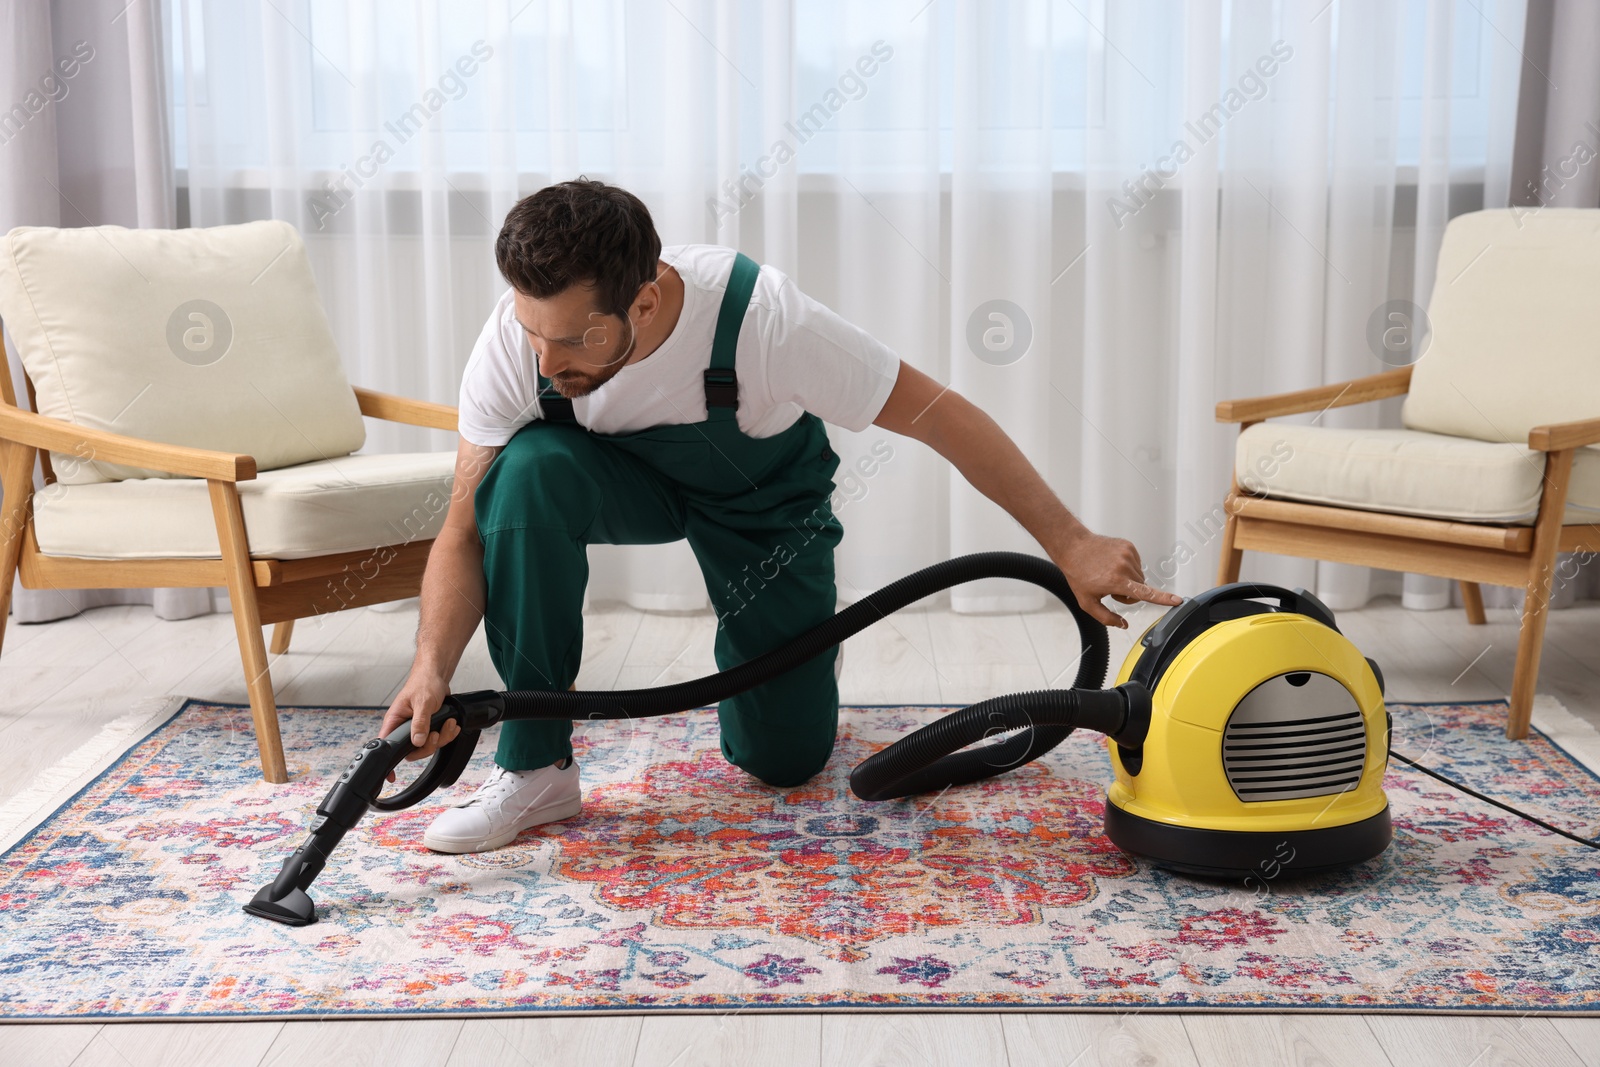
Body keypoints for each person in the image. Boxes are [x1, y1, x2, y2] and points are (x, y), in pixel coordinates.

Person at [378, 178, 1181, 854]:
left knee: (784, 758)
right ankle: (536, 769)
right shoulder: (520, 341)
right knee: (522, 476)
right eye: (532, 334)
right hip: (616, 479)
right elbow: (462, 529)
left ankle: (795, 666)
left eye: (571, 342)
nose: (546, 363)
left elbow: (940, 414)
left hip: (762, 503)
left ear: (646, 300)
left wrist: (1071, 540)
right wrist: (431, 668)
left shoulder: (765, 320)